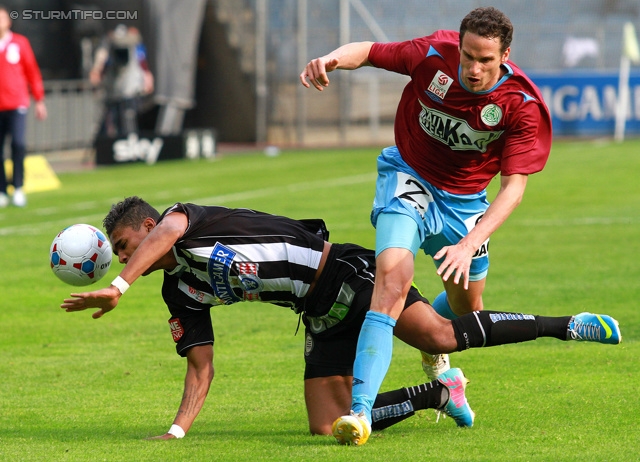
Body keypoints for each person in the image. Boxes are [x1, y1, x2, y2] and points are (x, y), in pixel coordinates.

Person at [60, 197, 620, 444]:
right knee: (327, 428)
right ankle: (438, 394)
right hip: (318, 314)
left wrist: (117, 285)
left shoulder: (188, 220)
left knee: (442, 332)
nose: (127, 255)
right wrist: (178, 430)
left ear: (150, 226)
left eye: (126, 245)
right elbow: (201, 366)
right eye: (116, 253)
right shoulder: (180, 291)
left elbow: (169, 232)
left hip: (345, 271)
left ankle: (566, 324)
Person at [300, 7, 555, 443]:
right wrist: (332, 59)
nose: (473, 69)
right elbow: (368, 51)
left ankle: (432, 350)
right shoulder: (432, 54)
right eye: (468, 56)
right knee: (391, 281)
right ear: (459, 45)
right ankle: (359, 414)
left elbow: (513, 188)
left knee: (466, 310)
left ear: (505, 56)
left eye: (486, 60)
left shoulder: (521, 105)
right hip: (408, 178)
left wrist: (470, 243)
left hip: (465, 204)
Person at [0, 5, 47, 208]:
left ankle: (18, 187)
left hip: (17, 103)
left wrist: (39, 100)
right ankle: (2, 190)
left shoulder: (20, 43)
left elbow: (32, 72)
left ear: (8, 21)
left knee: (18, 144)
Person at [89, 24, 154, 137]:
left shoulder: (136, 48)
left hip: (131, 91)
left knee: (131, 120)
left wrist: (147, 79)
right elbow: (102, 60)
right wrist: (97, 71)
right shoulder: (108, 48)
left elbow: (143, 63)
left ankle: (133, 142)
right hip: (115, 92)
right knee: (114, 120)